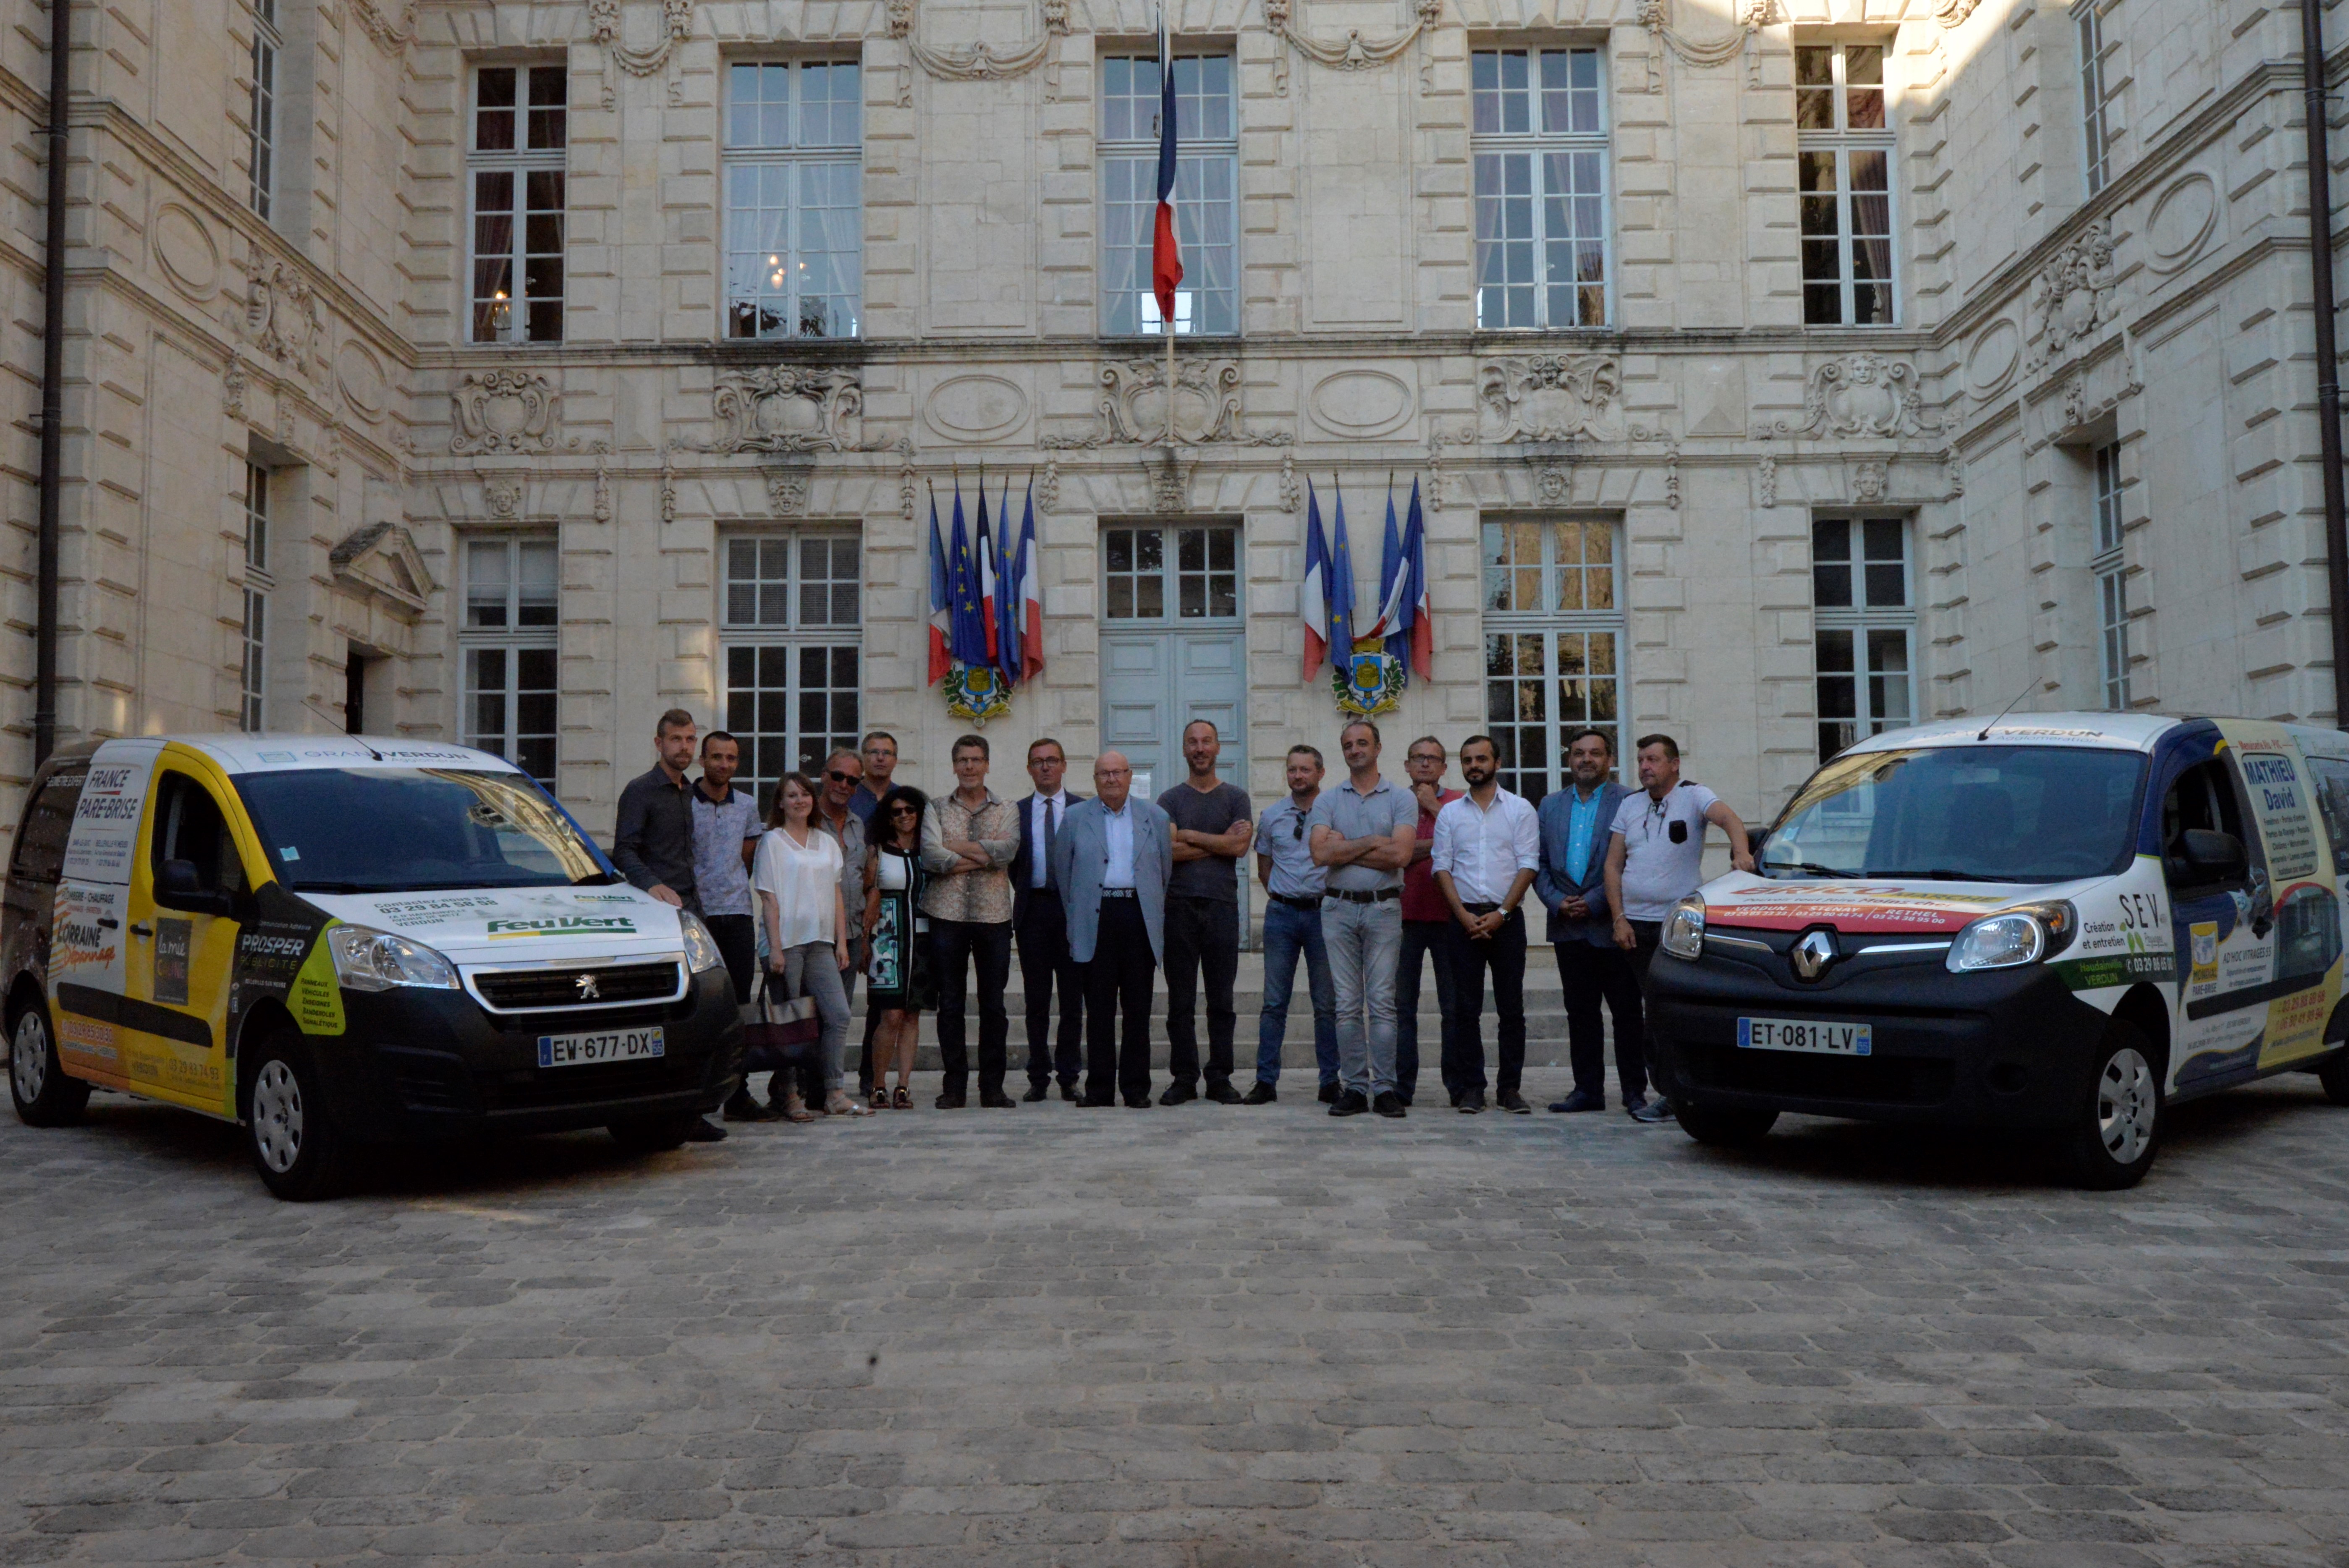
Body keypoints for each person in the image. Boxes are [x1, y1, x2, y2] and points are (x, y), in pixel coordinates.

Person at [1605, 733, 1757, 1124]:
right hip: (1635, 925)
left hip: (1677, 924)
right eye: (1641, 760)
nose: (1644, 767)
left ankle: (1675, 1093)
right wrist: (1618, 917)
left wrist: (1741, 852)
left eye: (1653, 759)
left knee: (1667, 1010)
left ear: (1674, 764)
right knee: (1646, 1011)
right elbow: (1613, 865)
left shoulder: (1693, 796)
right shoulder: (1630, 805)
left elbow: (1729, 819)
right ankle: (1659, 1090)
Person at [610, 707, 725, 1143]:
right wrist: (653, 885)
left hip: (693, 911)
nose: (685, 747)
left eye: (691, 740)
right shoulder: (641, 791)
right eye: (676, 739)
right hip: (657, 915)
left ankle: (693, 1109)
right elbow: (624, 852)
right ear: (659, 744)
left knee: (699, 1012)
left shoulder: (688, 793)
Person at [1308, 720, 1419, 1119]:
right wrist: (1375, 841)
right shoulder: (1328, 800)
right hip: (1337, 909)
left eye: (1362, 743)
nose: (1355, 750)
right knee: (1347, 1004)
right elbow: (1320, 855)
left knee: (1383, 1003)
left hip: (1383, 908)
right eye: (1348, 745)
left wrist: (1347, 847)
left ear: (1377, 747)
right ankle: (1354, 1087)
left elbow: (1400, 856)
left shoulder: (1401, 798)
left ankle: (1384, 1087)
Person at [1052, 751, 1173, 1108]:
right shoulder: (1075, 818)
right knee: (1099, 1009)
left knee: (1138, 1008)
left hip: (1137, 916)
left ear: (1129, 775)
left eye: (1118, 772)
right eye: (1104, 773)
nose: (1111, 779)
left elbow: (1163, 871)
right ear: (1094, 778)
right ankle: (1100, 1090)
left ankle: (1136, 1089)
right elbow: (1064, 875)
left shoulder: (1155, 816)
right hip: (1097, 915)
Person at [1431, 735, 1542, 1115]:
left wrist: (1502, 914)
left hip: (1506, 920)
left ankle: (1509, 1088)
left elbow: (1528, 864)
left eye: (1481, 758)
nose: (1474, 765)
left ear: (1497, 762)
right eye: (1467, 760)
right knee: (1465, 1008)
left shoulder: (1520, 809)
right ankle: (1472, 1088)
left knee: (1511, 1009)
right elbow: (1441, 867)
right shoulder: (1449, 813)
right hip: (1462, 920)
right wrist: (1462, 915)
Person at [752, 773, 869, 1120]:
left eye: (805, 794)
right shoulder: (772, 841)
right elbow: (769, 899)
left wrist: (841, 942)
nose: (800, 800)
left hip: (820, 943)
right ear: (781, 803)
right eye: (791, 795)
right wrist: (774, 948)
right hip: (785, 943)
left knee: (838, 1013)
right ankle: (790, 1096)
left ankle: (834, 1091)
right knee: (791, 1023)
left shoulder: (825, 841)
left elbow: (836, 894)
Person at [1535, 728, 1638, 1114]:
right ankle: (1587, 1090)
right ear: (1569, 759)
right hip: (1566, 925)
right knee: (1580, 1013)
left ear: (1609, 759)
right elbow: (1540, 863)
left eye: (1595, 753)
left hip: (1613, 924)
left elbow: (1631, 862)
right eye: (1579, 753)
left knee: (1626, 1012)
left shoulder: (1629, 800)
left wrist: (1594, 903)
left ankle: (1633, 1090)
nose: (1586, 760)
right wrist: (1557, 901)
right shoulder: (1549, 805)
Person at [1156, 720, 1253, 1106]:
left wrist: (1190, 835)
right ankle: (1184, 1076)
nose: (1199, 748)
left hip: (1222, 908)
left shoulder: (1236, 797)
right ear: (1184, 750)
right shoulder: (1169, 800)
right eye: (1192, 742)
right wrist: (1220, 841)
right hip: (1177, 907)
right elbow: (1168, 851)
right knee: (1180, 1000)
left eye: (1206, 741)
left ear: (1217, 748)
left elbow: (1241, 848)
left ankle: (1219, 1076)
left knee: (1221, 999)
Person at [920, 734, 1020, 1109]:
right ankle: (954, 1087)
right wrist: (985, 854)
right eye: (963, 760)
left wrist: (955, 847)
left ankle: (992, 1087)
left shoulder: (1007, 807)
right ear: (953, 764)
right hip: (946, 914)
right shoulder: (936, 807)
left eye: (977, 760)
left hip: (994, 915)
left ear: (988, 764)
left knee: (993, 1004)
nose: (970, 767)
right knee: (951, 1004)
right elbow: (931, 856)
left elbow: (1008, 851)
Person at [1247, 744, 1337, 1105]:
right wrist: (1284, 896)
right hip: (1282, 915)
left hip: (1323, 914)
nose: (1298, 776)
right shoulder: (1271, 816)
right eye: (1292, 770)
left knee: (1327, 1002)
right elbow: (1264, 867)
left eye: (1305, 769)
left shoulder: (1334, 813)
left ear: (1320, 773)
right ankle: (1265, 1081)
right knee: (1273, 1002)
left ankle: (1330, 1080)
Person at [689, 731, 770, 1123]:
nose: (724, 764)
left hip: (737, 914)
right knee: (700, 1006)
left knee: (739, 1007)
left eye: (731, 758)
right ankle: (697, 1097)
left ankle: (739, 1093)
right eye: (717, 757)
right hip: (696, 918)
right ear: (702, 759)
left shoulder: (748, 806)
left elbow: (748, 857)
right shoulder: (682, 803)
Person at [1010, 738, 1086, 1102]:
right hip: (1034, 912)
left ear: (1064, 765)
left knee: (1073, 999)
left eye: (1052, 760)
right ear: (1029, 768)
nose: (1045, 767)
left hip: (1072, 912)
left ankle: (1069, 1074)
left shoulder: (1084, 809)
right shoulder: (1017, 811)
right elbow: (1013, 864)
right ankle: (1037, 1075)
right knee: (1036, 999)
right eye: (1038, 761)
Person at [1396, 736, 1464, 1109]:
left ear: (1443, 767)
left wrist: (1435, 810)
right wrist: (1437, 846)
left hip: (1448, 917)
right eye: (1417, 758)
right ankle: (1401, 1086)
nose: (1424, 764)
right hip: (1401, 918)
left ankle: (1456, 1085)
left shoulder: (1457, 802)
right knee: (1401, 1006)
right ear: (1406, 765)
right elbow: (1390, 853)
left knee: (1452, 1007)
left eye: (1432, 758)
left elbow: (1468, 844)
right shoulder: (1392, 800)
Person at [862, 784, 935, 1110]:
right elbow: (868, 897)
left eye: (910, 810)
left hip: (923, 939)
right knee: (890, 1013)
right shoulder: (877, 851)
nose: (904, 816)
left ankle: (903, 1085)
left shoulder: (930, 849)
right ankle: (878, 1083)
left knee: (911, 1014)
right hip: (886, 940)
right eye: (897, 812)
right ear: (888, 818)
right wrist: (864, 940)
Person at [809, 749, 877, 1100]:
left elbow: (862, 878)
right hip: (814, 935)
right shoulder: (805, 818)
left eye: (853, 780)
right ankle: (806, 1087)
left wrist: (863, 937)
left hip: (849, 934)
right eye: (838, 776)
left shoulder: (856, 824)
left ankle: (822, 1088)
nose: (844, 785)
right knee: (817, 1015)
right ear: (824, 775)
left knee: (839, 1014)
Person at [847, 730, 898, 825]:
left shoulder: (903, 797)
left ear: (895, 761)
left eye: (887, 753)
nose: (880, 758)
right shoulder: (847, 795)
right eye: (874, 752)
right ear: (863, 758)